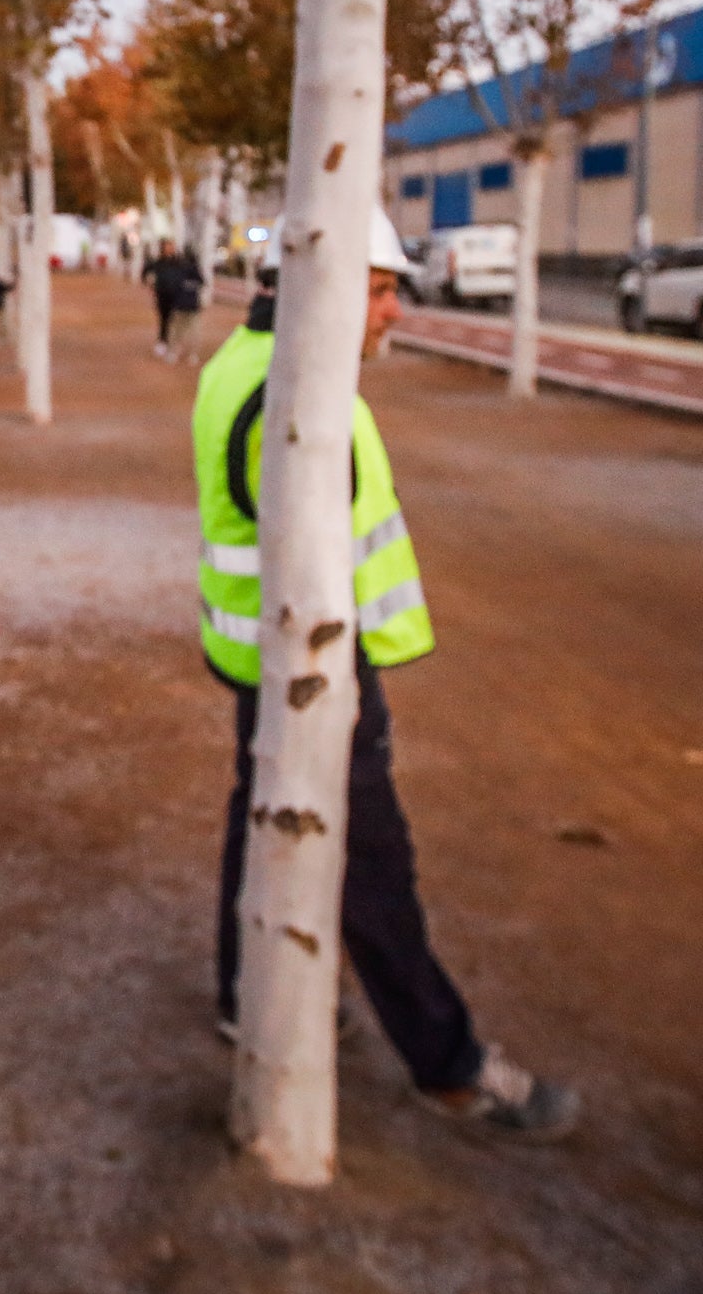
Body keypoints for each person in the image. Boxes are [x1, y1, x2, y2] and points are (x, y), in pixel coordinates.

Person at [195, 211, 578, 1141]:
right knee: (372, 865)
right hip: (315, 670)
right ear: (316, 288)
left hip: (269, 658)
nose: (393, 310)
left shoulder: (243, 368)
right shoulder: (292, 401)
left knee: (263, 815)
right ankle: (448, 1065)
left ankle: (249, 994)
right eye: (377, 288)